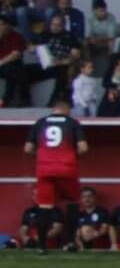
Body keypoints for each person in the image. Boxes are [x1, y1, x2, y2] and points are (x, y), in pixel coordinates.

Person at [25, 96, 88, 234]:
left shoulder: (40, 122)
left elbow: (28, 149)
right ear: (67, 110)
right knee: (73, 201)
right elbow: (83, 147)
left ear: (53, 110)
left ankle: (41, 246)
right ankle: (70, 242)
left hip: (44, 168)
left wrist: (42, 156)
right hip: (67, 167)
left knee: (44, 205)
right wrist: (73, 156)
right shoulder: (72, 122)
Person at [71, 186, 113, 251]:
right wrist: (79, 243)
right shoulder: (80, 215)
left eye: (89, 196)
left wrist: (95, 234)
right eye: (84, 197)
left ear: (94, 197)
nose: (87, 199)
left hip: (99, 242)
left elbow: (104, 229)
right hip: (83, 244)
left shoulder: (102, 211)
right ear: (81, 199)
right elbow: (77, 234)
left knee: (85, 229)